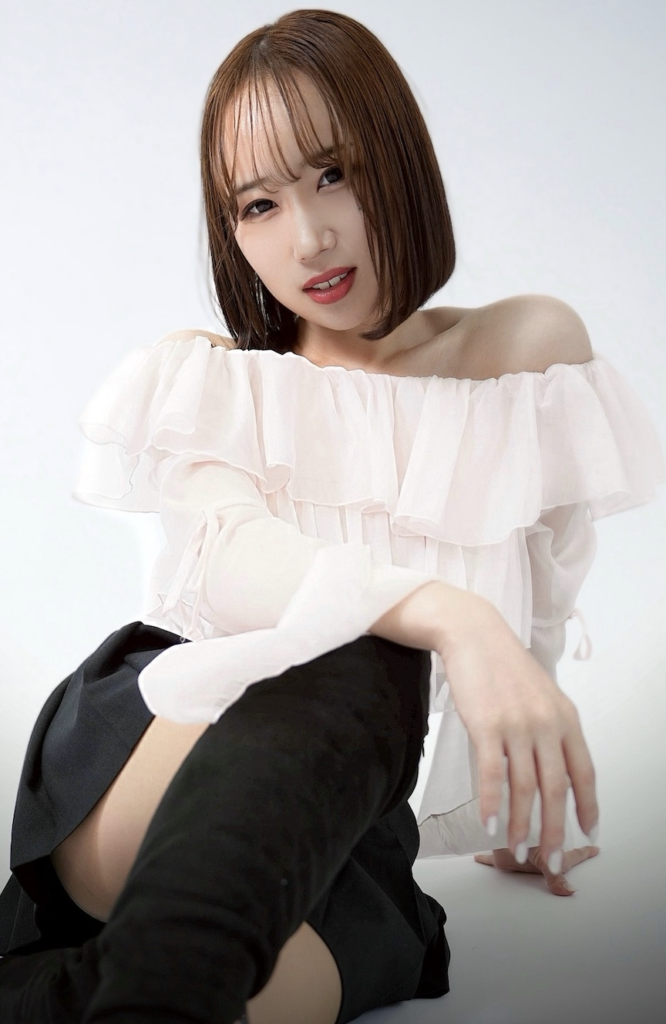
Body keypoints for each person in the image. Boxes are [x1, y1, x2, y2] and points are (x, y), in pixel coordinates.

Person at [0, 8, 664, 1024]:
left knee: (221, 992)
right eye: (259, 204)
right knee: (364, 652)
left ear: (399, 159)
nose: (308, 237)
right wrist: (449, 614)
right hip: (159, 747)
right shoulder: (213, 379)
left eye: (334, 174)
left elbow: (539, 595)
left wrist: (524, 793)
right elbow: (238, 558)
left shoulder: (525, 359)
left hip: (348, 835)